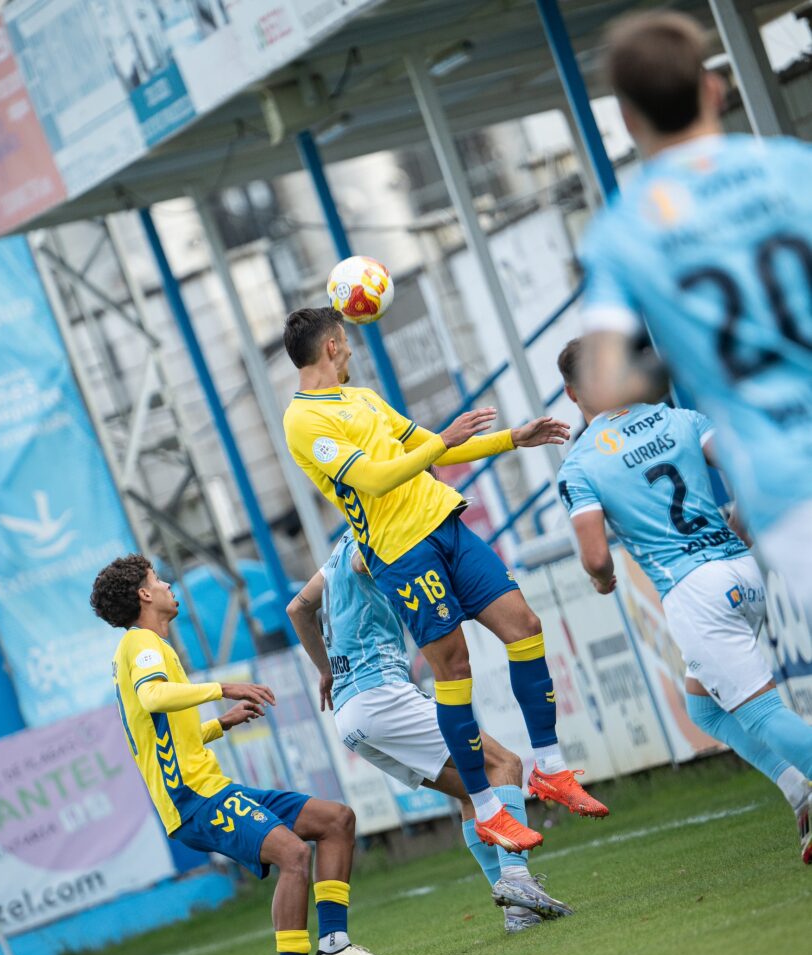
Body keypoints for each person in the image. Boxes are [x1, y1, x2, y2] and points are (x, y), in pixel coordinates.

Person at [282, 307, 608, 856]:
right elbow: (373, 477)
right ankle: (485, 809)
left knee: (525, 627)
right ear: (334, 345)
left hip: (445, 524)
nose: (353, 353)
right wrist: (439, 443)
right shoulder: (303, 420)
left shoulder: (362, 399)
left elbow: (433, 446)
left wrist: (512, 438)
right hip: (401, 551)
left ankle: (550, 768)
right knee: (454, 667)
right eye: (349, 344)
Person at [576, 11, 812, 626]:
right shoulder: (793, 168)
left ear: (627, 117)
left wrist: (685, 348)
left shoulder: (622, 231)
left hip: (787, 484)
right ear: (713, 87)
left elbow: (603, 384)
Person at [90, 554, 401, 955]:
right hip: (194, 799)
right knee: (293, 855)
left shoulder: (144, 647)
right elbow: (152, 697)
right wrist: (225, 688)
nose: (170, 583)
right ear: (144, 595)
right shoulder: (142, 644)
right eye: (159, 579)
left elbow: (164, 734)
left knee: (336, 820)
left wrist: (221, 724)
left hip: (210, 786)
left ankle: (335, 948)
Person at [556, 338, 812, 863]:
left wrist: (603, 583)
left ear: (571, 392)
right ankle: (799, 791)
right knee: (704, 707)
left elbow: (598, 558)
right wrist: (740, 520)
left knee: (761, 713)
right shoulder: (680, 418)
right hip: (742, 571)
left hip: (693, 592)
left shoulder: (580, 465)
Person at [287, 529, 574, 932]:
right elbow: (364, 563)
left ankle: (519, 912)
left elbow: (297, 609)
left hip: (351, 714)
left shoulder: (340, 547)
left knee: (472, 791)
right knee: (503, 765)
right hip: (382, 693)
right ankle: (518, 881)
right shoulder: (376, 540)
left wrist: (325, 670)